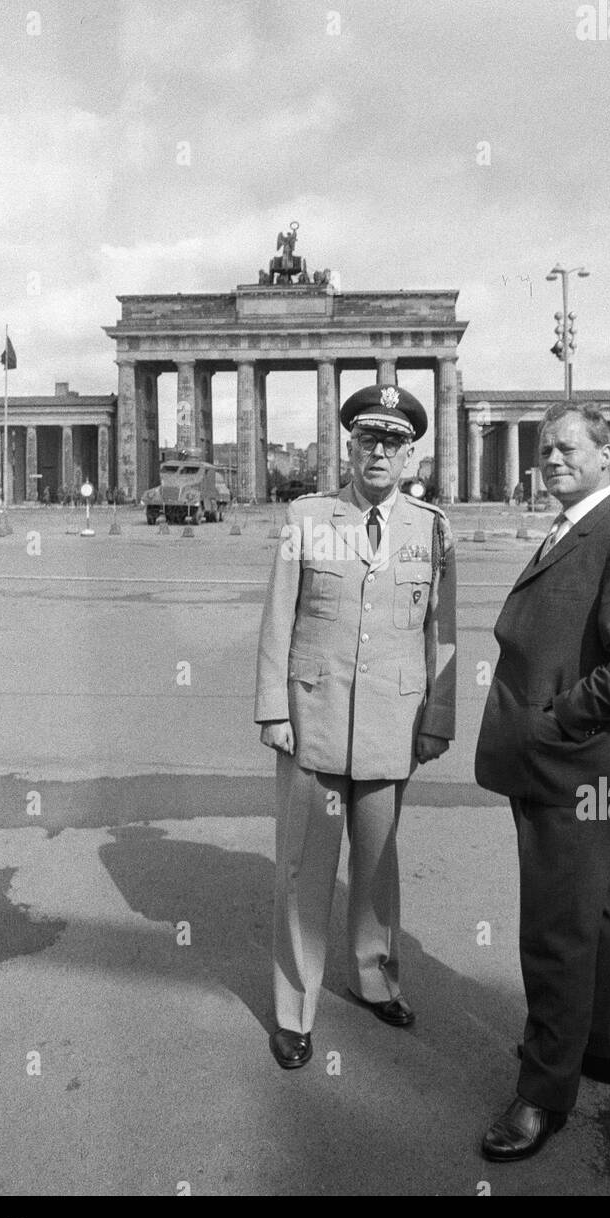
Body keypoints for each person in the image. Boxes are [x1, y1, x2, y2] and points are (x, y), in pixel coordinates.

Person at [474, 401, 610, 1161]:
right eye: (545, 449)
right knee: (591, 908)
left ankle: (539, 1097)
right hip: (560, 762)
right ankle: (600, 1047)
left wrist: (555, 720)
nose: (552, 459)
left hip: (568, 764)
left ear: (603, 458)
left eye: (567, 449)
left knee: (554, 931)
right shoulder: (574, 526)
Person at [255, 384, 457, 1069]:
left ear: (409, 455)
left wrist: (438, 718)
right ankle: (294, 1010)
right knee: (304, 870)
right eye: (368, 439)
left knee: (377, 866)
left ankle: (373, 977)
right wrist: (272, 710)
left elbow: (443, 632)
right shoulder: (308, 517)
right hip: (312, 719)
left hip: (392, 723)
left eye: (393, 442)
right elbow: (278, 618)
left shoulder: (430, 528)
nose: (378, 452)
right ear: (349, 446)